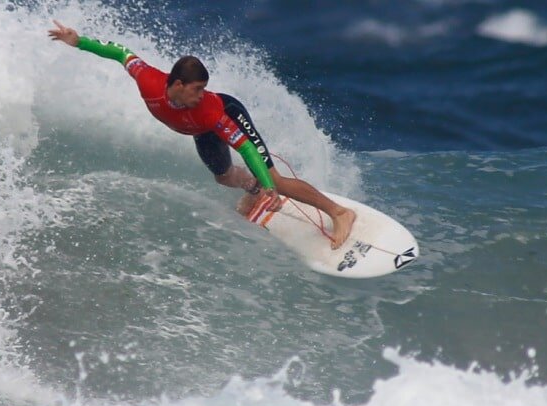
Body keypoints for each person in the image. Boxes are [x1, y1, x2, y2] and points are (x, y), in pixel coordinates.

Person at [48, 20, 356, 249]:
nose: (201, 95)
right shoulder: (149, 80)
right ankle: (254, 193)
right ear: (177, 84)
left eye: (204, 89)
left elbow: (246, 149)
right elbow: (120, 53)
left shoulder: (210, 109)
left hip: (229, 114)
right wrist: (79, 41)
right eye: (197, 89)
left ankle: (338, 212)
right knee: (223, 178)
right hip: (199, 130)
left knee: (273, 179)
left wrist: (267, 183)